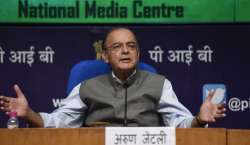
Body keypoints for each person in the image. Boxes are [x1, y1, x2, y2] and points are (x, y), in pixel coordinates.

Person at [0, 27, 226, 128]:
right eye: (117, 47)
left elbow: (178, 124)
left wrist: (199, 119)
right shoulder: (86, 86)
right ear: (106, 56)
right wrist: (28, 114)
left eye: (131, 46)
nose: (125, 51)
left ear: (138, 53)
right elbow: (60, 123)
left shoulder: (160, 85)